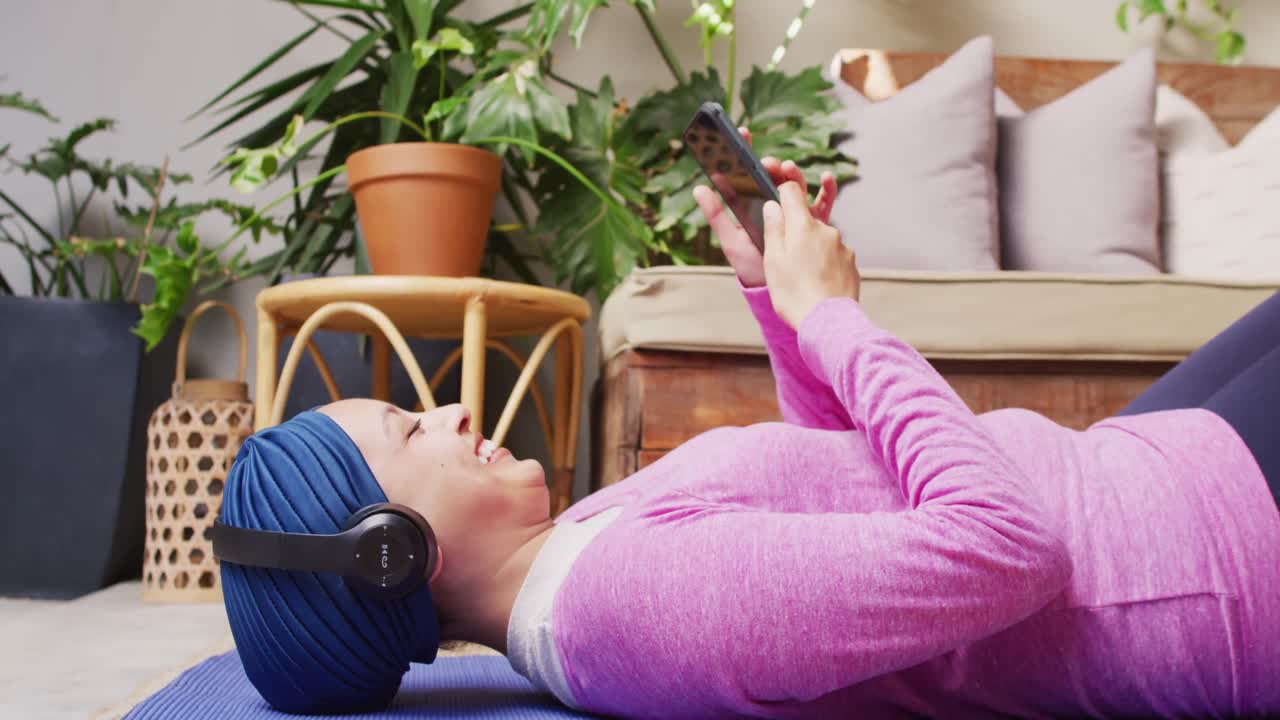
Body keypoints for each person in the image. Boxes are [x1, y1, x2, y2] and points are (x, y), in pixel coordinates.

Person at [217, 143, 1280, 718]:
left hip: (1134, 486)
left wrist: (778, 307)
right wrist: (834, 321)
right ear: (393, 550)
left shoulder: (583, 563)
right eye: (410, 429)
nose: (451, 409)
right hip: (1201, 562)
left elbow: (841, 484)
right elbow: (1007, 551)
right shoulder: (632, 606)